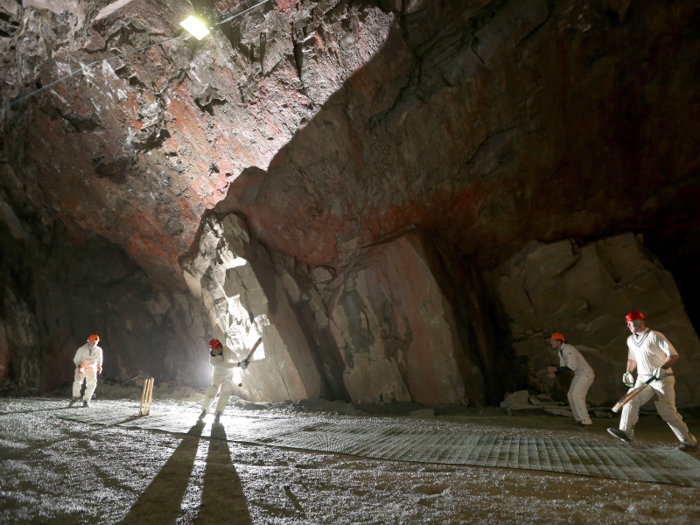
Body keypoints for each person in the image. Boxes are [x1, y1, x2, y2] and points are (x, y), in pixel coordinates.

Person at [607, 311, 697, 452]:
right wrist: (628, 372)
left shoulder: (655, 336)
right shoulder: (630, 339)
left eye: (630, 323)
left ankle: (689, 441)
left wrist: (663, 367)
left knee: (667, 410)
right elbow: (632, 357)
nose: (629, 326)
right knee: (630, 400)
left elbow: (673, 355)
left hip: (663, 378)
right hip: (643, 378)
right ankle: (625, 432)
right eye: (628, 324)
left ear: (639, 322)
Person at [547, 333, 595, 427]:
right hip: (579, 374)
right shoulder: (560, 351)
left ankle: (586, 421)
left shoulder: (568, 348)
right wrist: (555, 373)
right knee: (570, 395)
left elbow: (572, 366)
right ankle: (579, 419)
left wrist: (556, 369)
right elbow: (564, 367)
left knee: (577, 395)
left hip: (586, 374)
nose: (551, 343)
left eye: (553, 341)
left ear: (559, 341)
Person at [199, 338, 248, 423]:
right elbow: (226, 365)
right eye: (217, 348)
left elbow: (233, 356)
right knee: (212, 391)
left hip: (228, 376)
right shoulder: (212, 360)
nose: (220, 349)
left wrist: (241, 363)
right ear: (213, 349)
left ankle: (218, 413)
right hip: (217, 376)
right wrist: (239, 364)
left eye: (220, 346)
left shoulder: (224, 348)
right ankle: (205, 411)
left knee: (226, 392)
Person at [69, 334, 103, 408]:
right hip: (81, 367)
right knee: (77, 382)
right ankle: (75, 397)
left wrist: (99, 365)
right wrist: (79, 365)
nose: (94, 343)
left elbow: (99, 359)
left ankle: (86, 400)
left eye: (96, 342)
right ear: (88, 341)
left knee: (92, 384)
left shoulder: (98, 350)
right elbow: (76, 359)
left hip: (92, 368)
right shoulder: (81, 349)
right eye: (93, 342)